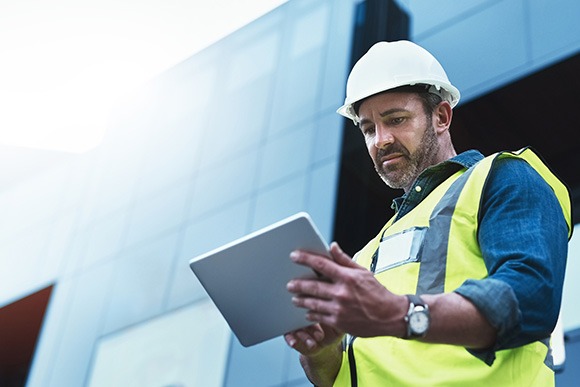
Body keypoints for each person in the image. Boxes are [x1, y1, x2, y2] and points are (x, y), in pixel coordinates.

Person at [284, 40, 572, 386]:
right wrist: (321, 352)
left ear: (441, 116)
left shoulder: (500, 178)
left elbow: (531, 298)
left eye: (396, 120)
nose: (380, 140)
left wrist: (399, 313)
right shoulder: (365, 256)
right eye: (368, 129)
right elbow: (340, 377)